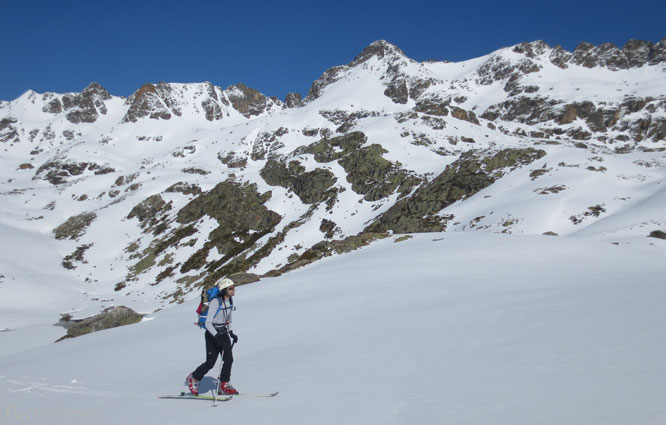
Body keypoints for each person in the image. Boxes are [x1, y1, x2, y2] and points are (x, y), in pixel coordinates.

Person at [186, 278, 240, 395]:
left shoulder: (229, 301)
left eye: (233, 287)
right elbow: (208, 323)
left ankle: (224, 383)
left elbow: (229, 319)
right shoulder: (216, 302)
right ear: (224, 289)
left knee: (228, 359)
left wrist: (231, 332)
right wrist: (216, 336)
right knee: (210, 362)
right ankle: (194, 378)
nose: (233, 290)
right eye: (231, 288)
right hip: (212, 333)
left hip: (223, 332)